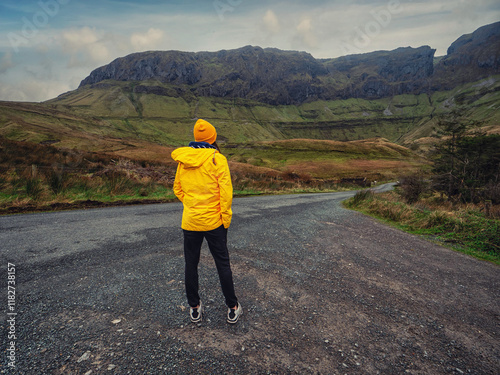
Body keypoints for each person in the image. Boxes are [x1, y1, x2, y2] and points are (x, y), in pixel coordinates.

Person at [171, 119, 242, 324]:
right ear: (213, 138)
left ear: (196, 138)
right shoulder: (217, 159)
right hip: (214, 222)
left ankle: (194, 308)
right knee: (222, 264)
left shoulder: (184, 160)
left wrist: (192, 204)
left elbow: (177, 189)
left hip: (191, 221)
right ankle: (232, 307)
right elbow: (226, 194)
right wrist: (225, 219)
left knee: (191, 264)